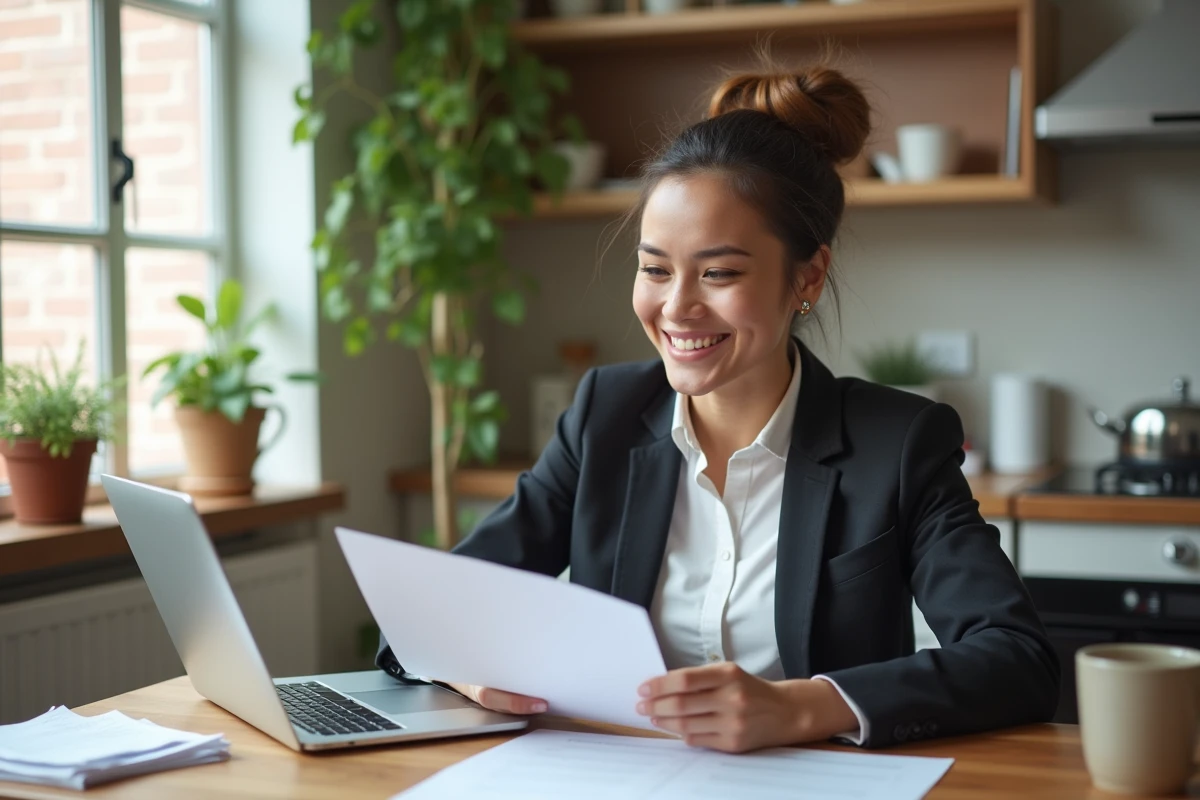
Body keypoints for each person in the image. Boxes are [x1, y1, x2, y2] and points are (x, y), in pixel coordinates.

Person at [378, 64, 1060, 752]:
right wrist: (465, 672)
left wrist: (802, 708)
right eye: (655, 268)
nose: (676, 308)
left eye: (720, 272)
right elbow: (436, 610)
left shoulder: (899, 443)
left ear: (808, 277)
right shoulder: (604, 416)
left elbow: (1017, 658)